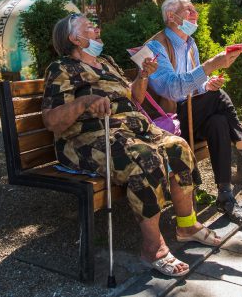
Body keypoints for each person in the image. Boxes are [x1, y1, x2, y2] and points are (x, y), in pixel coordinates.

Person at [41, 14, 221, 277]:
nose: (97, 28)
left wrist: (142, 76)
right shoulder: (61, 69)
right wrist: (84, 102)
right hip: (89, 138)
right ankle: (153, 248)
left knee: (178, 146)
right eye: (89, 27)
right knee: (146, 158)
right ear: (74, 39)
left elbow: (134, 98)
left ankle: (187, 226)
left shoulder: (106, 63)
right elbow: (51, 120)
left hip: (133, 130)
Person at [145, 0, 242, 226]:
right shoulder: (155, 46)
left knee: (218, 122)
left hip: (192, 111)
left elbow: (193, 83)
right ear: (171, 17)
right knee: (219, 99)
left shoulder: (189, 44)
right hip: (169, 119)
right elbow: (172, 90)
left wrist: (206, 84)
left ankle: (225, 194)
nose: (195, 14)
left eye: (195, 10)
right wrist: (211, 65)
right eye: (189, 10)